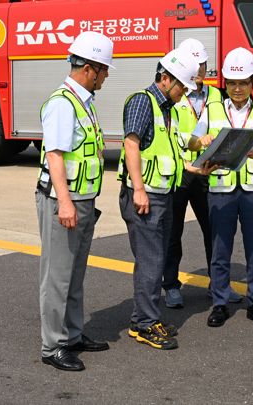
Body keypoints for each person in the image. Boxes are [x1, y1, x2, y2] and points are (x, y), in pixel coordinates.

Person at [118, 48, 217, 350]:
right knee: (150, 262)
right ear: (165, 78)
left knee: (156, 260)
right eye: (181, 87)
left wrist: (197, 166)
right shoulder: (142, 102)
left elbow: (171, 152)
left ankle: (145, 317)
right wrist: (138, 190)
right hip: (145, 197)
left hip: (163, 196)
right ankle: (145, 324)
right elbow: (131, 145)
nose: (183, 93)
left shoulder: (169, 110)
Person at [36, 31, 114, 372]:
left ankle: (72, 335)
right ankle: (52, 346)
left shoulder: (83, 101)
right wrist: (64, 202)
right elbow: (54, 155)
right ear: (90, 69)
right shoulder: (62, 103)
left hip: (83, 199)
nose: (107, 75)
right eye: (105, 69)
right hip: (64, 201)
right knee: (58, 276)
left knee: (75, 273)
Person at [189, 47, 253, 328]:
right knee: (220, 249)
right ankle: (219, 303)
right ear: (225, 84)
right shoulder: (212, 109)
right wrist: (201, 141)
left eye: (243, 83)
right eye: (232, 83)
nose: (237, 89)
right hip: (221, 190)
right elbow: (192, 142)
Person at [163, 38, 242, 309]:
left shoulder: (218, 96)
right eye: (193, 65)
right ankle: (171, 285)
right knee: (172, 232)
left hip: (209, 172)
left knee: (215, 231)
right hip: (180, 171)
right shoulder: (173, 96)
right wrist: (194, 140)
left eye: (202, 65)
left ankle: (218, 283)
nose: (198, 71)